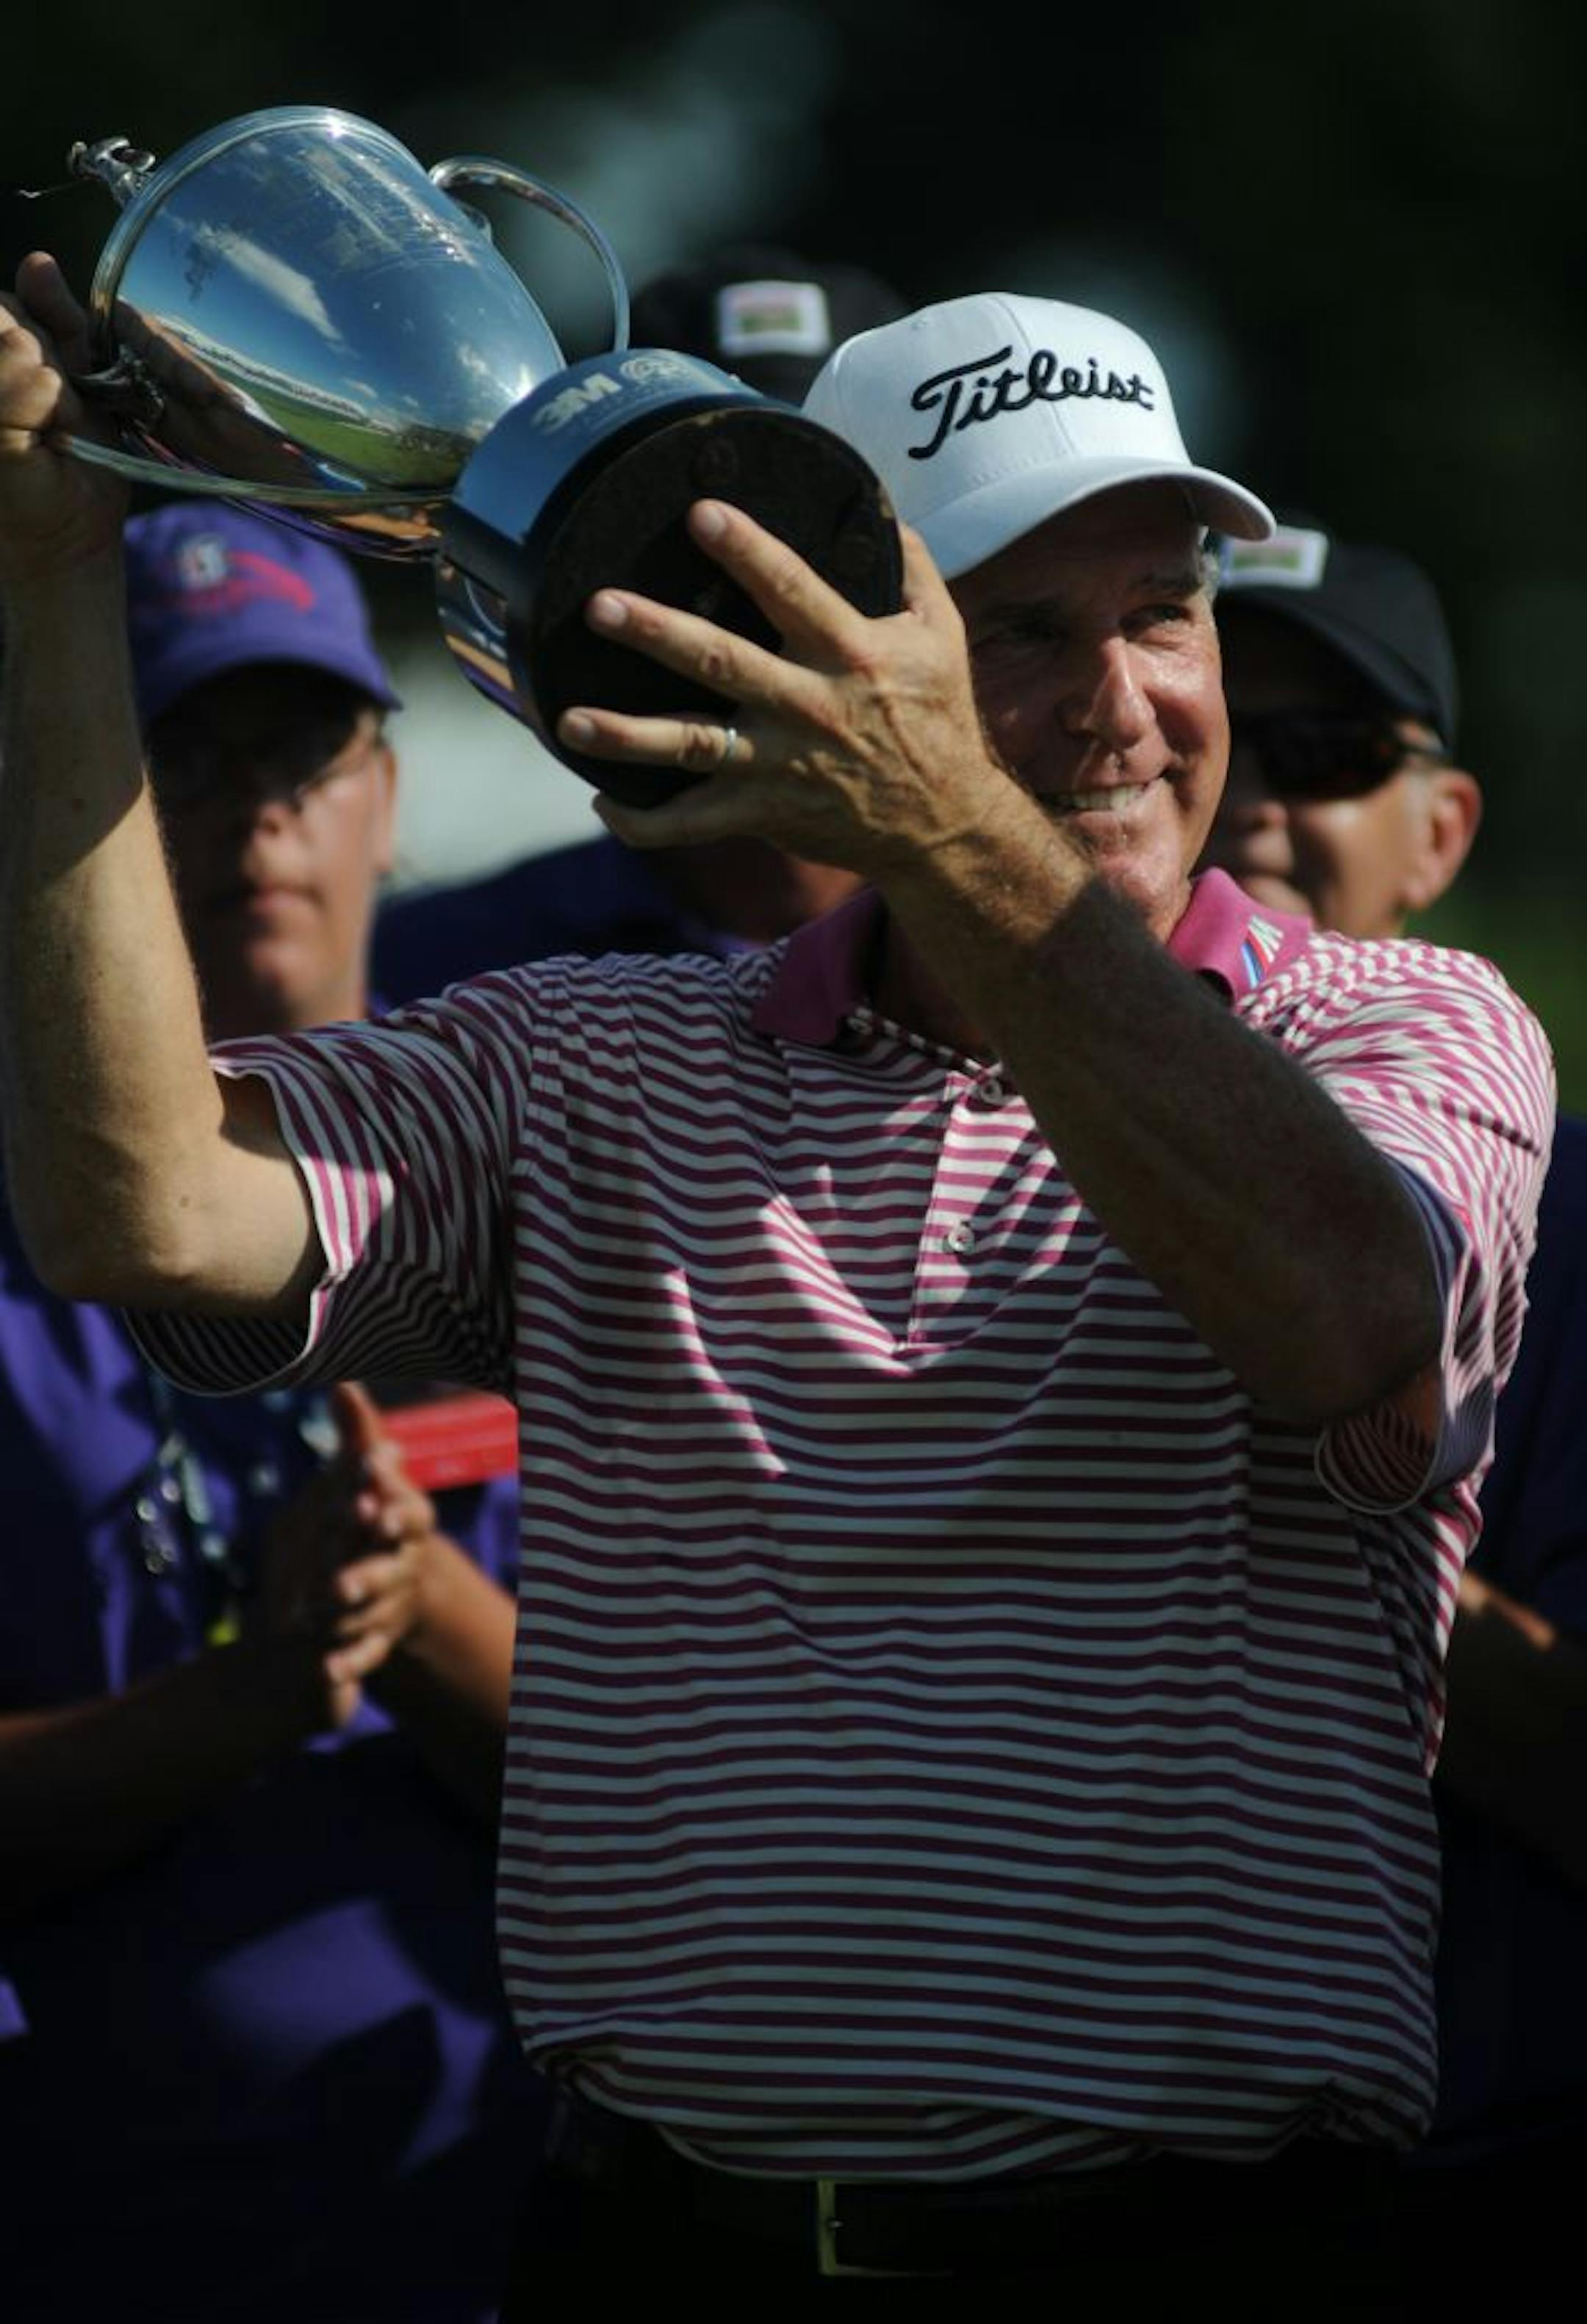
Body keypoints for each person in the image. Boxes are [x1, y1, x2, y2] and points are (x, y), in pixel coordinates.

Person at [0, 262, 1555, 2303]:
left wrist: (942, 818)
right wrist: (44, 575)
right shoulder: (600, 1059)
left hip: (1210, 2249)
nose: (1130, 704)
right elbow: (144, 1209)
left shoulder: (1401, 1027)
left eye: (1167, 610)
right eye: (1018, 631)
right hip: (655, 2243)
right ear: (819, 654)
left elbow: (1339, 1306)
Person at [0, 502, 543, 2323]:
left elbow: (739, 1800)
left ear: (386, 789)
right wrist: (249, 1691)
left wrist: (414, 1621)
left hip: (528, 2234)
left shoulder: (582, 1178)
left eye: (302, 742)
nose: (257, 808)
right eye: (186, 746)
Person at [1208, 517, 1587, 2288]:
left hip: (1480, 2170)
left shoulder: (1575, 1226)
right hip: (1079, 2181)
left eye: (1330, 757)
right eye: (1212, 732)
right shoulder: (977, 1154)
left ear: (1437, 832)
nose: (1252, 805)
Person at [372, 245, 907, 1000]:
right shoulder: (431, 969)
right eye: (690, 512)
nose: (755, 562)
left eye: (815, 504)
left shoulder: (1044, 933)